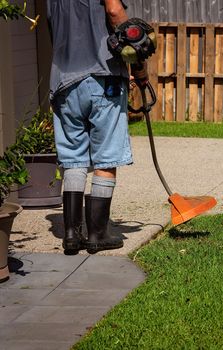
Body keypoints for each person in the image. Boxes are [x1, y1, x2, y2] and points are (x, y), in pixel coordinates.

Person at [47, 0, 147, 254]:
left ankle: (71, 233)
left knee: (73, 157)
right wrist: (138, 63)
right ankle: (97, 233)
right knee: (106, 157)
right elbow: (114, 11)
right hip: (103, 77)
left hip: (64, 80)